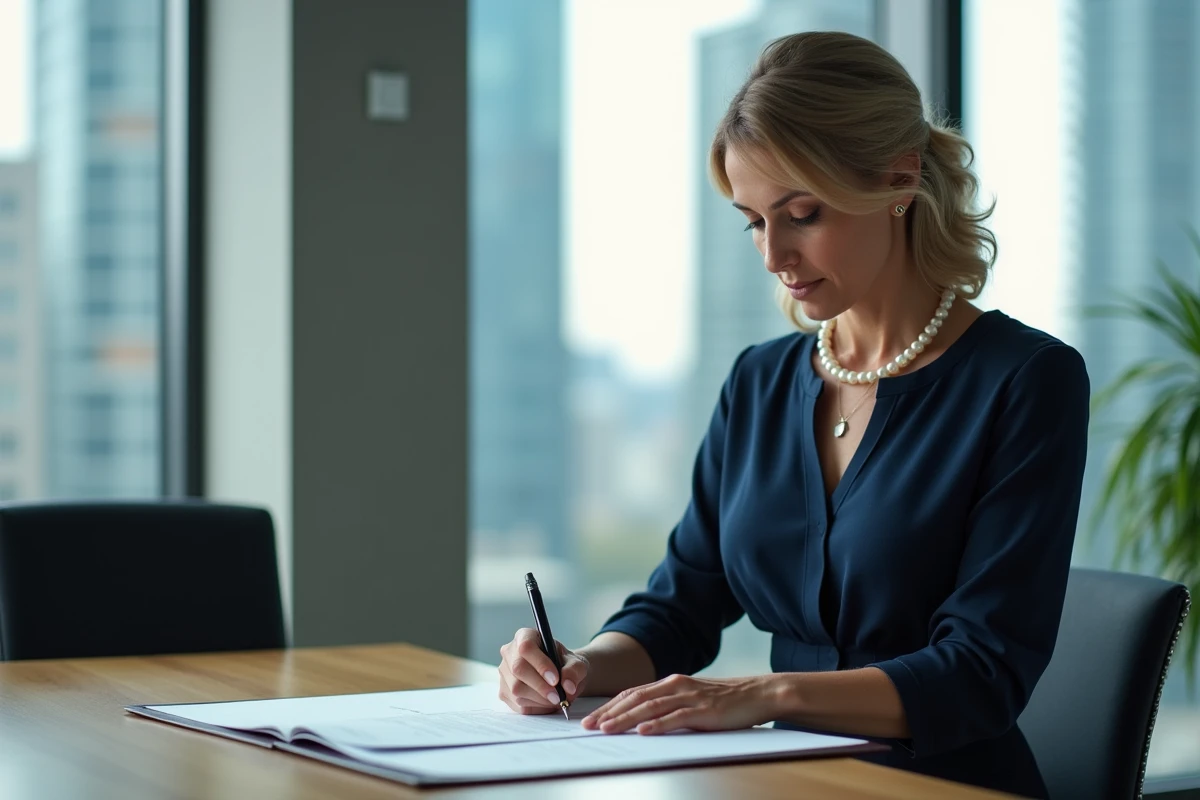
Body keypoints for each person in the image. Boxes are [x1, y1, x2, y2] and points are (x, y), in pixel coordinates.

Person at [497, 30, 1089, 799]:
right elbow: (681, 604)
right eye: (753, 220)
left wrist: (766, 696)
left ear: (899, 180)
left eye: (801, 213)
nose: (773, 253)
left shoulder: (1026, 381)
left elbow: (982, 670)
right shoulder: (759, 381)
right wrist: (575, 664)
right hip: (782, 780)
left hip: (942, 786)